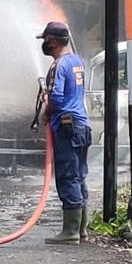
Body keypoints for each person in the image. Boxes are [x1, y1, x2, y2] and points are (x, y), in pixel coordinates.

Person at [37, 21, 92, 245]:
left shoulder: (59, 65)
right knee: (79, 176)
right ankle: (82, 230)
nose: (44, 45)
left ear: (53, 41)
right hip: (82, 126)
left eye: (45, 40)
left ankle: (70, 232)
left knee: (68, 177)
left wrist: (44, 113)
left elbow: (58, 99)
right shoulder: (77, 61)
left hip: (67, 128)